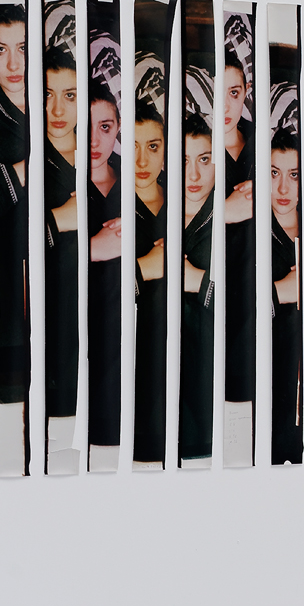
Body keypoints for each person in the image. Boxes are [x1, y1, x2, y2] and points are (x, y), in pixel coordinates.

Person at [0, 3, 30, 417]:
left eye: (22, 47)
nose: (14, 64)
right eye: (1, 49)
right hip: (8, 247)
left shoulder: (57, 97)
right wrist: (20, 173)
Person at [43, 45, 79, 435]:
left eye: (69, 95)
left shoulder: (105, 153)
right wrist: (60, 219)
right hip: (49, 314)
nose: (57, 109)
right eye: (47, 94)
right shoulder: (28, 159)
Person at [87, 77, 122, 449]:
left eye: (105, 127)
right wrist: (91, 249)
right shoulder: (55, 182)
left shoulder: (140, 176)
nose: (94, 141)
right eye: (86, 127)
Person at [179, 114, 216, 459]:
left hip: (214, 390)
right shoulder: (152, 206)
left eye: (204, 160)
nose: (192, 175)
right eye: (183, 160)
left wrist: (198, 282)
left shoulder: (238, 215)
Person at [133, 95, 167, 464]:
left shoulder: (185, 200)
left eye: (153, 147)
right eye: (134, 147)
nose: (143, 161)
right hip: (130, 363)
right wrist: (146, 267)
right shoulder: (107, 204)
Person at [223, 44, 255, 411]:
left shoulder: (264, 143)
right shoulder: (191, 146)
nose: (225, 106)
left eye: (233, 93)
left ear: (245, 91)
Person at [270, 121, 302, 464]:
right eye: (274, 173)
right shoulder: (251, 228)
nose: (283, 187)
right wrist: (283, 291)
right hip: (270, 377)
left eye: (294, 175)